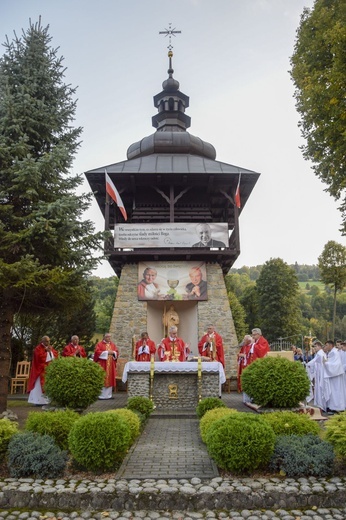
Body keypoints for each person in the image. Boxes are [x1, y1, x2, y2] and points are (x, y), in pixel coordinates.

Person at [28, 336, 58, 405]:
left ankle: (46, 401)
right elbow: (39, 358)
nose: (48, 342)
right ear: (42, 341)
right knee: (39, 386)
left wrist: (50, 352)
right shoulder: (38, 348)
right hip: (40, 370)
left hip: (47, 370)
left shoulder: (50, 348)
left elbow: (55, 355)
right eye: (46, 341)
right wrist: (46, 352)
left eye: (49, 341)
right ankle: (37, 401)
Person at [322, 339, 346, 414]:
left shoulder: (334, 353)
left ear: (330, 345)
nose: (325, 347)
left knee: (336, 391)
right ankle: (333, 406)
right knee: (334, 391)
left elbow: (335, 364)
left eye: (326, 345)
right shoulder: (332, 352)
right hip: (334, 375)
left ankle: (337, 407)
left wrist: (326, 363)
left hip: (336, 375)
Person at [94, 333, 119, 399]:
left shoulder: (112, 344)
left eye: (110, 337)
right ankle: (101, 396)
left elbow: (116, 352)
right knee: (103, 378)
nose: (109, 338)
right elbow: (97, 352)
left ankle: (109, 395)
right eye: (107, 337)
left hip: (110, 364)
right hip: (103, 364)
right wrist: (107, 352)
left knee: (110, 378)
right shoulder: (99, 344)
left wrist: (114, 353)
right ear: (104, 337)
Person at [306, 340, 327, 411]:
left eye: (315, 346)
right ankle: (321, 404)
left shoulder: (320, 354)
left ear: (319, 346)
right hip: (319, 373)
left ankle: (321, 405)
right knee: (319, 389)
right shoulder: (321, 353)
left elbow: (314, 361)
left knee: (320, 389)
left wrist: (307, 364)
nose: (314, 348)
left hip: (320, 374)